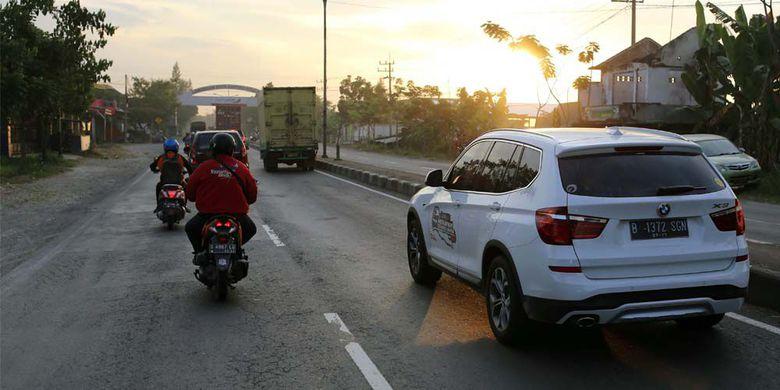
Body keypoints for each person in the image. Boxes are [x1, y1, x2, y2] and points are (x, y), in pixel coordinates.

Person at [185, 133, 258, 264]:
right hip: (237, 216)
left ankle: (200, 252)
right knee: (251, 229)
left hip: (207, 215)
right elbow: (252, 196)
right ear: (232, 149)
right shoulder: (241, 168)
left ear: (212, 149)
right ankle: (236, 249)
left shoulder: (204, 168)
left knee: (190, 228)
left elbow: (190, 194)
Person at [150, 138, 192, 212]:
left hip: (164, 183)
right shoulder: (180, 158)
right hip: (179, 183)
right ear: (177, 147)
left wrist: (156, 170)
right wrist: (190, 175)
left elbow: (152, 166)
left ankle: (158, 206)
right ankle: (185, 205)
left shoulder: (161, 157)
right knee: (186, 188)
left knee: (158, 187)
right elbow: (189, 168)